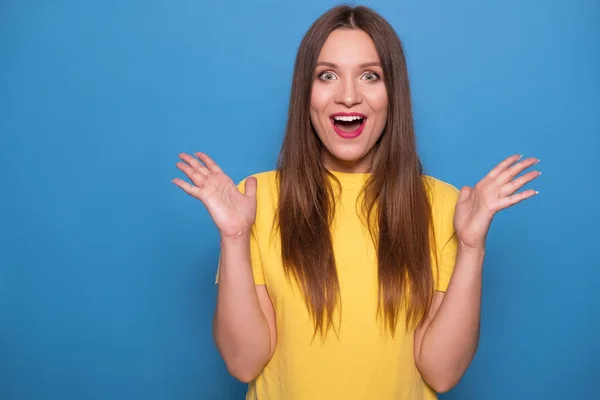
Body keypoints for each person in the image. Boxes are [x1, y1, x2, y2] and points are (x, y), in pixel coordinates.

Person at [172, 4, 540, 400]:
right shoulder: (255, 199)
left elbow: (442, 373)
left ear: (392, 93)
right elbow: (243, 362)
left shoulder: (442, 205)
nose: (348, 96)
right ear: (304, 93)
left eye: (370, 76)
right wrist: (234, 236)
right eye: (327, 76)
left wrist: (471, 247)